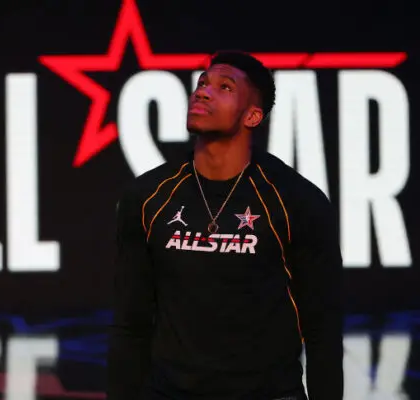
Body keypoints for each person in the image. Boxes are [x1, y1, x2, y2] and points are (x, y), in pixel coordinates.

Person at [107, 51, 343, 399]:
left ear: (252, 115)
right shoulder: (147, 198)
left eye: (225, 87)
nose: (202, 91)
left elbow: (322, 329)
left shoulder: (296, 201)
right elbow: (131, 323)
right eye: (202, 83)